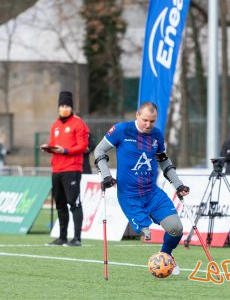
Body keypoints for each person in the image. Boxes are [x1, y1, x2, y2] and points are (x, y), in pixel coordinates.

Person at [94, 102, 190, 276]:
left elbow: (164, 160)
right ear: (137, 115)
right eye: (145, 120)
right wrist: (106, 175)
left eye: (152, 121)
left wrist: (178, 184)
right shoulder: (121, 130)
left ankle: (166, 256)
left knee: (176, 228)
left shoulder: (157, 135)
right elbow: (99, 150)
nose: (148, 125)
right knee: (146, 232)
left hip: (152, 192)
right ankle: (161, 254)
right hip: (129, 195)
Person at [41, 91, 89, 247]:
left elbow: (83, 146)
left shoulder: (78, 123)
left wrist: (66, 151)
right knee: (60, 203)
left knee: (73, 202)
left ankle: (77, 238)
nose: (64, 108)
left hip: (72, 168)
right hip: (57, 169)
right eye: (62, 105)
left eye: (67, 106)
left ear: (72, 107)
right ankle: (62, 237)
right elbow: (54, 144)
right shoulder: (55, 125)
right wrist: (48, 148)